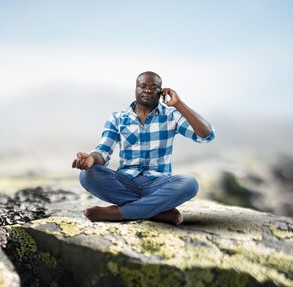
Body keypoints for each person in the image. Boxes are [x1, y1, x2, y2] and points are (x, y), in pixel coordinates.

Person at [72, 71, 215, 225]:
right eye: (143, 86)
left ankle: (120, 213)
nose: (147, 90)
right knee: (87, 175)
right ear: (136, 89)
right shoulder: (118, 118)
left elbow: (206, 135)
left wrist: (179, 105)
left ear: (161, 92)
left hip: (158, 184)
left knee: (190, 183)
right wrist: (91, 158)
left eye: (154, 87)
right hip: (125, 183)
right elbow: (103, 150)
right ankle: (156, 212)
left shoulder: (171, 115)